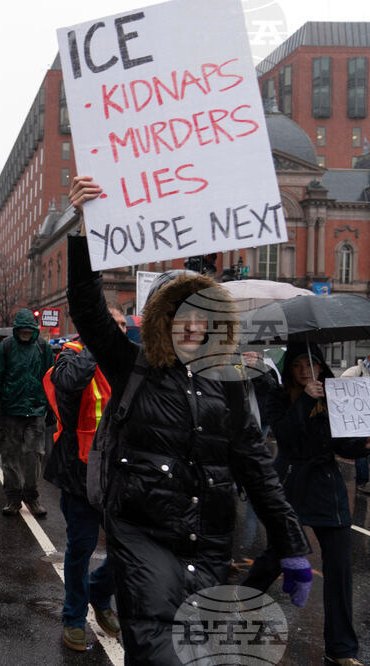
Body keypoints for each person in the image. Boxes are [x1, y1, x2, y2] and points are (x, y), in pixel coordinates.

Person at [68, 176, 311, 663]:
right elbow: (89, 311)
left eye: (204, 314)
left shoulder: (232, 381)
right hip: (143, 533)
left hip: (210, 539)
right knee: (161, 650)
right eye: (182, 313)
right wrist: (84, 228)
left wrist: (290, 543)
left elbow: (256, 467)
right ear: (163, 319)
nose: (194, 325)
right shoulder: (133, 362)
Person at [243, 344, 370, 666]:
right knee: (277, 555)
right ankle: (240, 601)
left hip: (328, 488)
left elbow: (344, 446)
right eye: (298, 364)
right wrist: (307, 400)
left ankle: (341, 650)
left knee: (340, 571)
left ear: (321, 365)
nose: (304, 370)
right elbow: (285, 436)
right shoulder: (278, 393)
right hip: (290, 482)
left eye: (310, 363)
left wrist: (364, 443)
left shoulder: (336, 394)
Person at [42, 307, 126, 652]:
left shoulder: (130, 361)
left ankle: (101, 592)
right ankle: (74, 617)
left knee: (127, 548)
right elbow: (69, 382)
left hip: (120, 472)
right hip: (80, 472)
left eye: (122, 324)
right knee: (81, 548)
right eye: (111, 324)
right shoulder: (72, 354)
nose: (119, 330)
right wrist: (96, 343)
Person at [0, 309, 54, 517]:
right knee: (9, 457)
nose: (25, 334)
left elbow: (50, 376)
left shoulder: (43, 347)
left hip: (35, 411)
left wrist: (50, 405)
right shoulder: (6, 347)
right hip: (10, 411)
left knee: (34, 455)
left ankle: (32, 497)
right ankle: (13, 498)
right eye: (22, 331)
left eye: (28, 331)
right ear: (17, 330)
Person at [342, 353, 370, 494]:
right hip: (359, 418)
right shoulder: (353, 372)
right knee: (362, 449)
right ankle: (362, 481)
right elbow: (340, 397)